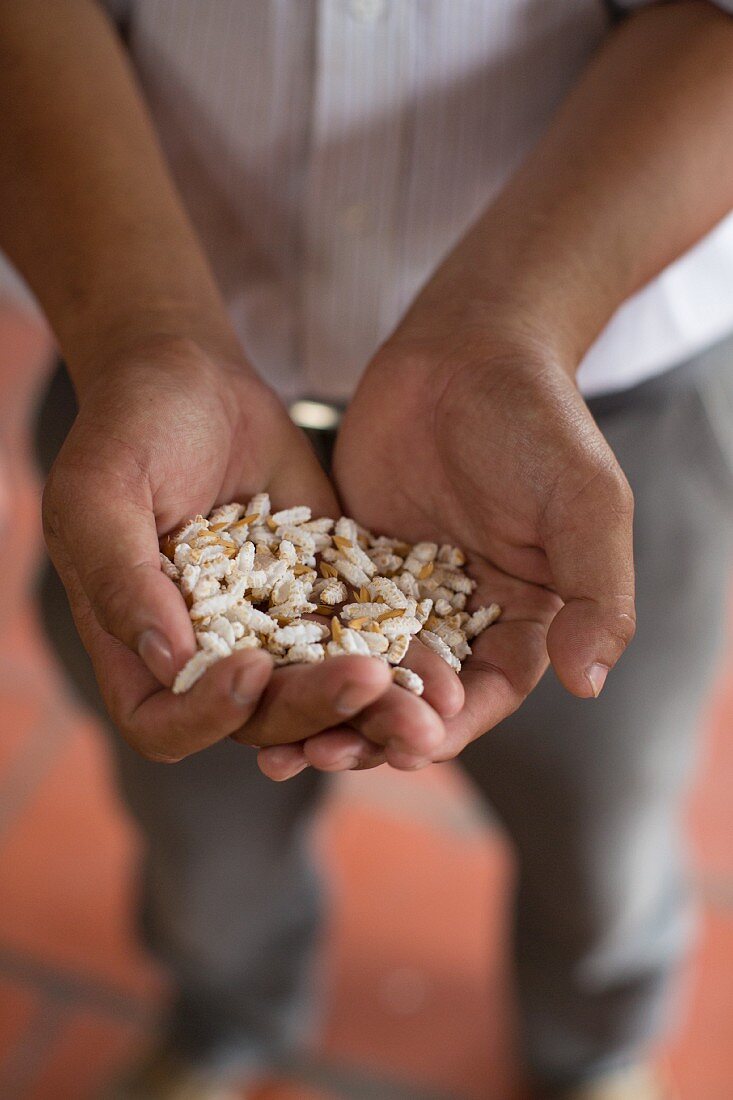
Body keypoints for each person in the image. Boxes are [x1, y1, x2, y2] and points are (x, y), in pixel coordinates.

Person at [2, 1, 733, 1096]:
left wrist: (511, 322)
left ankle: (594, 1040)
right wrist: (148, 330)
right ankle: (223, 1013)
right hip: (141, 364)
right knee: (196, 818)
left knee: (605, 818)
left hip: (591, 393)